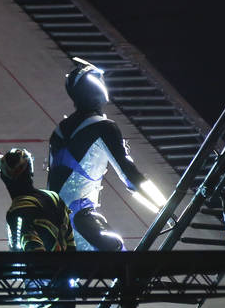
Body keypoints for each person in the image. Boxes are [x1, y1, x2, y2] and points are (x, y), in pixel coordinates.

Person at [47, 58, 167, 252]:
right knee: (120, 259)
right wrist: (163, 206)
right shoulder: (103, 127)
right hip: (80, 218)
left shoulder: (58, 131)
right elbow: (129, 176)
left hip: (51, 220)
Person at [0, 148, 76, 308]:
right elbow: (71, 246)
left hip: (42, 298)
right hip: (67, 291)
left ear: (5, 178)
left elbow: (24, 253)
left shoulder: (18, 210)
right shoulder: (54, 198)